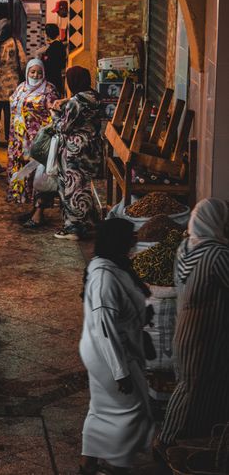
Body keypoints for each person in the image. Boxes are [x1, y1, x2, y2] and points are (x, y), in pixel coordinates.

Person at [155, 198, 229, 458]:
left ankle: (199, 436)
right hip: (204, 332)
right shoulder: (217, 254)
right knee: (191, 386)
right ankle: (166, 440)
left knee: (200, 383)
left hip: (186, 328)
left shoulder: (186, 247)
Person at [80, 218, 154, 475]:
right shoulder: (104, 277)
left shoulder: (114, 265)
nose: (135, 240)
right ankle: (117, 466)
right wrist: (120, 372)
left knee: (102, 410)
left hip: (110, 350)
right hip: (109, 354)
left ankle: (88, 464)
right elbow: (104, 327)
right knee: (130, 411)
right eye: (130, 236)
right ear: (118, 241)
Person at [51, 66, 102, 239]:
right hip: (92, 148)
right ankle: (89, 223)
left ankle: (74, 228)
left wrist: (55, 114)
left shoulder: (75, 103)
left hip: (75, 150)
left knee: (72, 188)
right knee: (84, 186)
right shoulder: (94, 97)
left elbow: (63, 127)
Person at [7, 58, 59, 204]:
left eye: (39, 72)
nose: (36, 75)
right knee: (21, 167)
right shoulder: (21, 87)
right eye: (33, 72)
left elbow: (54, 114)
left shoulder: (49, 90)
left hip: (37, 141)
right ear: (27, 72)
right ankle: (24, 199)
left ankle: (37, 207)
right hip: (18, 140)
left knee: (37, 171)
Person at [0, 18, 26, 142]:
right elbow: (23, 61)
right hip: (11, 83)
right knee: (8, 112)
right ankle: (8, 137)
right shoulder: (15, 42)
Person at [37, 23, 67, 96]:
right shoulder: (56, 45)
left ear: (47, 34)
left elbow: (51, 65)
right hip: (55, 80)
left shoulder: (55, 46)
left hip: (53, 82)